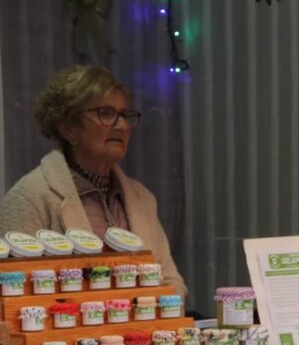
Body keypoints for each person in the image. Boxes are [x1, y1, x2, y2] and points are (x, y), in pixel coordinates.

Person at [0, 65, 186, 295]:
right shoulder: (30, 198)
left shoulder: (143, 199)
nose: (122, 125)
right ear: (68, 128)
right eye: (105, 113)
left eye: (125, 115)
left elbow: (171, 282)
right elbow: (11, 297)